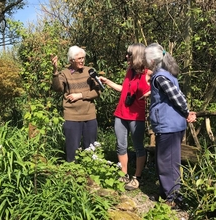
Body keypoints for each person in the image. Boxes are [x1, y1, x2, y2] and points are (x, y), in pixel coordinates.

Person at [144, 43, 196, 207]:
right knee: (163, 160)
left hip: (169, 125)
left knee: (168, 161)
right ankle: (166, 193)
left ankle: (174, 198)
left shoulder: (160, 77)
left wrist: (187, 112)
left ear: (151, 60)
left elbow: (177, 97)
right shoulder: (162, 74)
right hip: (167, 125)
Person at [99, 43, 151, 190]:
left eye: (129, 54)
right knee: (121, 145)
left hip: (136, 116)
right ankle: (124, 174)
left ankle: (137, 177)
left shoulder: (147, 73)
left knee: (138, 147)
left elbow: (164, 81)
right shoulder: (130, 71)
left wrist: (151, 92)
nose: (126, 57)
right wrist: (108, 82)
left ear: (138, 56)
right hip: (120, 114)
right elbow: (124, 89)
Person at [51, 46, 101, 162]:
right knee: (72, 150)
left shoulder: (90, 71)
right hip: (72, 116)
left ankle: (91, 175)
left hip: (89, 116)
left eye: (83, 58)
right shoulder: (65, 73)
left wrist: (80, 95)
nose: (82, 61)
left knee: (91, 149)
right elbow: (57, 88)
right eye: (79, 58)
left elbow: (98, 91)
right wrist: (55, 71)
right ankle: (72, 175)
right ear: (71, 60)